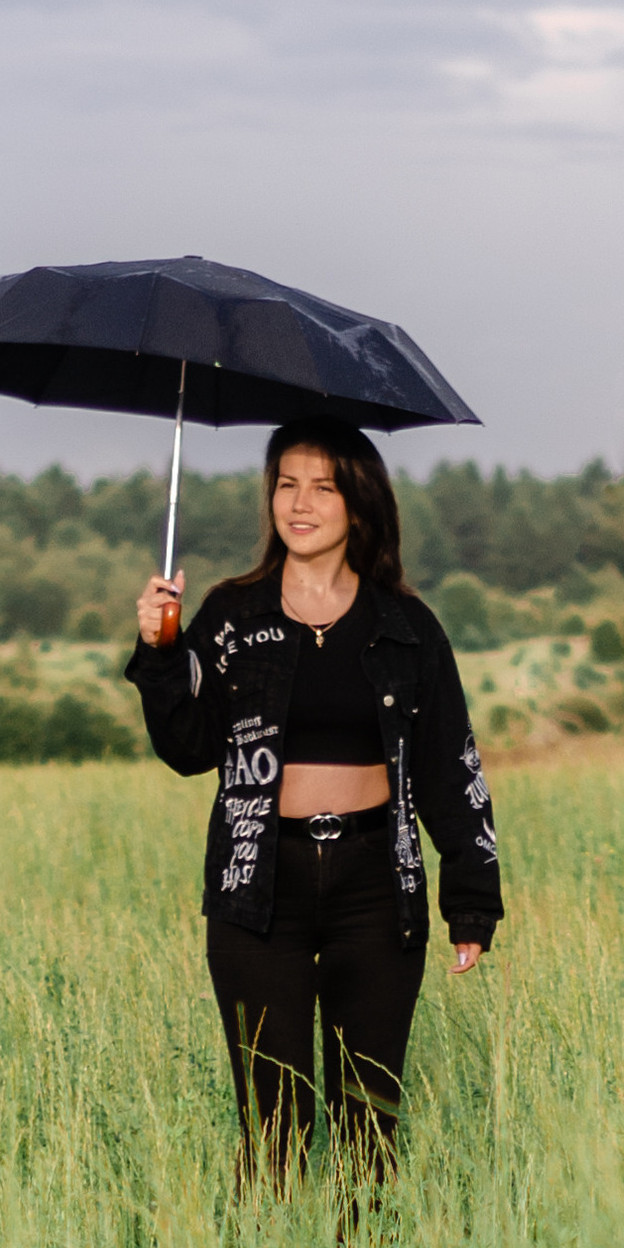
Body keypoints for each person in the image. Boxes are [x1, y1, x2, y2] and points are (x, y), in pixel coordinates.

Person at [126, 417, 502, 1198]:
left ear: (358, 504)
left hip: (375, 882)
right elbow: (189, 747)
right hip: (259, 887)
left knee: (371, 1122)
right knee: (275, 1125)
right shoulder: (233, 615)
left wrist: (472, 897)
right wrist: (163, 657)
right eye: (285, 484)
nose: (298, 503)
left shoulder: (407, 627)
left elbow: (449, 766)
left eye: (321, 486)